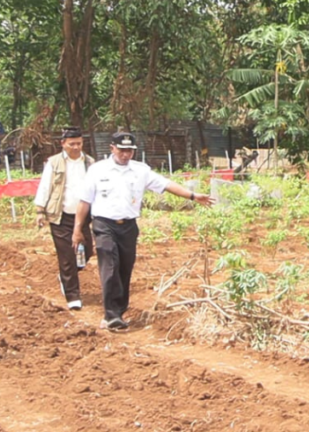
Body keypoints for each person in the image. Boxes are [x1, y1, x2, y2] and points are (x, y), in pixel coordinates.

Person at [73, 132, 212, 330]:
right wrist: (78, 229)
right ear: (112, 148)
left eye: (129, 151)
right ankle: (111, 315)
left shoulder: (140, 171)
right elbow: (84, 201)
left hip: (128, 226)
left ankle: (119, 312)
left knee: (125, 269)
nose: (125, 154)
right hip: (104, 225)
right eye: (121, 150)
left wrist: (192, 196)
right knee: (110, 266)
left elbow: (166, 185)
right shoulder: (97, 170)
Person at [34, 126, 95, 310]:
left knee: (87, 252)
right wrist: (40, 211)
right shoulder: (54, 163)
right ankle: (72, 295)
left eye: (79, 143)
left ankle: (65, 276)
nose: (76, 147)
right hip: (60, 216)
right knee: (67, 255)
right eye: (72, 144)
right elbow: (45, 186)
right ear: (63, 144)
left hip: (83, 216)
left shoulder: (90, 163)